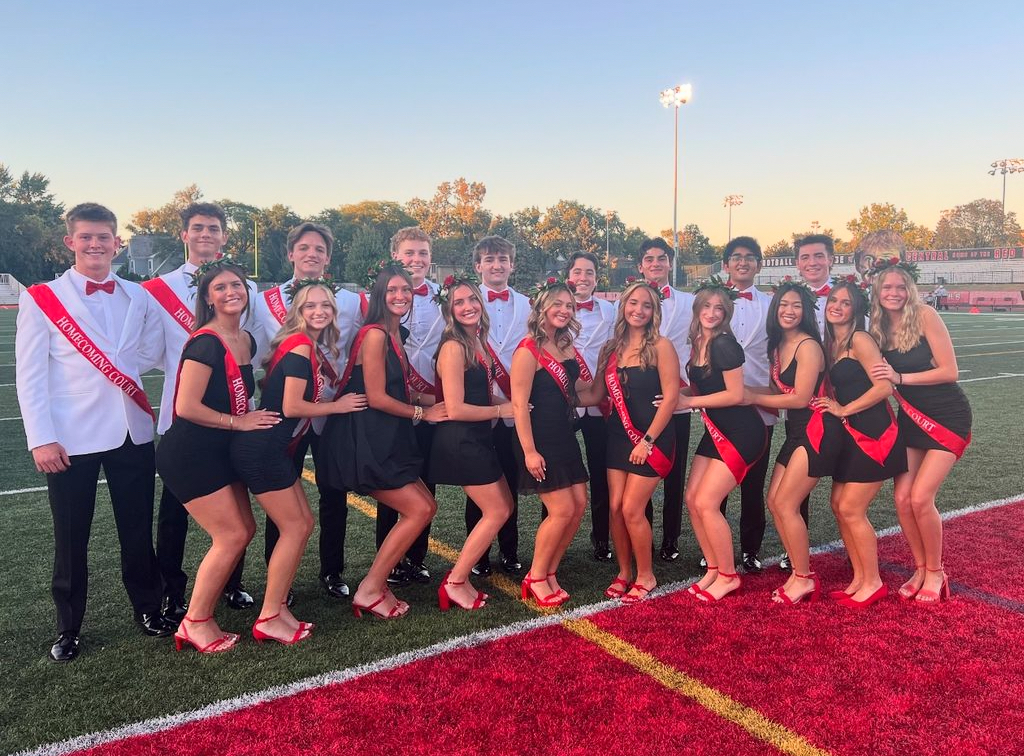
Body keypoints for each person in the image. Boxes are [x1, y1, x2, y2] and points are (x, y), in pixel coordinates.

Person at [17, 202, 171, 662]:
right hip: (70, 438)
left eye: (103, 237)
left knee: (136, 529)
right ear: (70, 242)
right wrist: (40, 437)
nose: (95, 244)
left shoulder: (137, 295)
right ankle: (69, 626)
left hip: (131, 430)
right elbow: (30, 375)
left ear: (117, 242)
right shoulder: (42, 296)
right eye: (86, 237)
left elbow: (145, 354)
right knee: (71, 535)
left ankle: (148, 607)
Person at [232, 281, 368, 642]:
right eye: (310, 306)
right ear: (298, 312)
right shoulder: (301, 345)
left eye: (325, 305)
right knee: (294, 528)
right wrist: (337, 406)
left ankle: (277, 607)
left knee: (303, 523)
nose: (319, 311)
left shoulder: (304, 344)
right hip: (264, 449)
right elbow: (292, 406)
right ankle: (269, 616)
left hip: (274, 447)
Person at [156, 258, 281, 653]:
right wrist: (238, 422)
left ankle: (200, 615)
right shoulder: (206, 342)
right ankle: (194, 622)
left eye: (237, 286)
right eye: (221, 288)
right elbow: (187, 406)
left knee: (243, 531)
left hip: (220, 452)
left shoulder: (246, 339)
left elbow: (251, 382)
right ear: (208, 299)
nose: (231, 293)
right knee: (230, 535)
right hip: (191, 452)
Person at [147, 203, 260, 619]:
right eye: (198, 228)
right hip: (189, 426)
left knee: (238, 522)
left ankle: (232, 587)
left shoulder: (244, 330)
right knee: (177, 517)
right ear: (184, 235)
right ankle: (174, 596)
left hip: (228, 431)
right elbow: (147, 353)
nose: (206, 235)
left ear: (224, 236)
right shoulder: (157, 289)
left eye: (214, 228)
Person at [316, 263, 446, 618]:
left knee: (425, 508)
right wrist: (424, 414)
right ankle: (370, 588)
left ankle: (376, 584)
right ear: (379, 295)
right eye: (392, 290)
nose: (400, 296)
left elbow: (404, 389)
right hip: (368, 437)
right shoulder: (374, 334)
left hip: (388, 434)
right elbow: (376, 396)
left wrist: (449, 402)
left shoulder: (394, 334)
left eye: (406, 290)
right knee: (418, 509)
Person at [252, 222, 362, 601]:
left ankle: (332, 571)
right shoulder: (261, 300)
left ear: (327, 257)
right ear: (291, 253)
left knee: (335, 496)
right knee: (281, 499)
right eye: (304, 248)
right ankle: (278, 580)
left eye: (319, 249)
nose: (311, 254)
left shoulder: (347, 301)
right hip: (287, 417)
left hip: (331, 414)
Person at [869, 262, 971, 604]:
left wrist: (901, 378)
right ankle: (920, 567)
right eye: (887, 288)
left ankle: (937, 572)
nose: (894, 293)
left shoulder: (925, 315)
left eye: (900, 287)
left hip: (947, 415)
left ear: (909, 289)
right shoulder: (877, 326)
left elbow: (950, 371)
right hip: (911, 419)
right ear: (877, 292)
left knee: (920, 498)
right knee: (901, 499)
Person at [809, 278, 907, 609]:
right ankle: (860, 579)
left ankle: (874, 581)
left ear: (856, 309)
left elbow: (884, 388)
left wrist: (843, 409)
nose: (836, 306)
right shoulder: (830, 343)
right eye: (833, 300)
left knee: (852, 508)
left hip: (875, 434)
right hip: (851, 435)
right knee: (839, 506)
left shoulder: (860, 339)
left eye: (845, 302)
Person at [429, 276, 515, 610]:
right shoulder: (453, 346)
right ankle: (455, 581)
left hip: (480, 437)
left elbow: (479, 392)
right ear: (449, 310)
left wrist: (516, 401)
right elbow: (455, 408)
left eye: (472, 299)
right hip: (461, 440)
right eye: (459, 302)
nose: (468, 307)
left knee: (503, 506)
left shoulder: (476, 340)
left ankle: (459, 578)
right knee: (497, 510)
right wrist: (501, 409)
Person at [678, 281, 767, 603]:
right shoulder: (699, 340)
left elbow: (735, 394)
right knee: (692, 499)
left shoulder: (724, 344)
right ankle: (714, 569)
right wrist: (677, 395)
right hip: (716, 429)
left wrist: (687, 403)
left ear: (726, 313)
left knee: (706, 502)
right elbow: (703, 388)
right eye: (706, 307)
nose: (712, 313)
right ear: (697, 309)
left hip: (742, 433)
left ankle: (728, 575)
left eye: (719, 308)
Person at [512, 281, 592, 606]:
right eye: (557, 304)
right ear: (542, 307)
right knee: (560, 511)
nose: (564, 310)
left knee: (577, 508)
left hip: (564, 436)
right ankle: (535, 575)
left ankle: (550, 571)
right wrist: (530, 451)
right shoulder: (527, 350)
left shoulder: (566, 345)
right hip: (540, 440)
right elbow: (519, 405)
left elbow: (581, 390)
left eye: (569, 305)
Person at [598, 282, 680, 602]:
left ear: (654, 311)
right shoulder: (611, 348)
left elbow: (671, 398)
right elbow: (595, 394)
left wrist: (646, 440)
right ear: (623, 305)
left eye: (646, 305)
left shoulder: (661, 345)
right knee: (616, 508)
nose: (639, 310)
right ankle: (624, 572)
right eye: (633, 303)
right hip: (618, 436)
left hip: (652, 438)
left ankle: (646, 574)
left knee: (633, 508)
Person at [746, 282, 826, 604]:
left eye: (795, 306)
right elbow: (772, 394)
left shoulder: (808, 346)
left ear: (805, 311)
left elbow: (801, 398)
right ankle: (798, 571)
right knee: (774, 501)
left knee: (784, 504)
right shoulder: (777, 345)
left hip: (816, 430)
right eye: (782, 305)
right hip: (794, 431)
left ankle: (804, 577)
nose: (788, 311)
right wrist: (736, 393)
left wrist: (748, 395)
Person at [376, 227, 443, 586]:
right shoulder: (384, 296)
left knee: (426, 482)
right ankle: (387, 561)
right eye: (409, 253)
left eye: (422, 253)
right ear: (395, 256)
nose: (416, 260)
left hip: (430, 399)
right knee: (393, 485)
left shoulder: (442, 297)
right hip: (392, 402)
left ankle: (416, 559)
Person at [469, 236, 530, 576]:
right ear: (478, 265)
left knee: (510, 480)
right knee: (477, 484)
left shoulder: (527, 304)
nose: (496, 265)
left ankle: (509, 551)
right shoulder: (464, 301)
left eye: (503, 259)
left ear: (512, 264)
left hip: (515, 405)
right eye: (490, 259)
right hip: (479, 405)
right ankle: (477, 556)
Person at [720, 237, 777, 573]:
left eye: (750, 258)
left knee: (754, 483)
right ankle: (717, 547)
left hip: (759, 402)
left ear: (758, 264)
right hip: (722, 406)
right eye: (736, 257)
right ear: (726, 264)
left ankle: (750, 550)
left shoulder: (772, 305)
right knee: (720, 484)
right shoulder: (710, 301)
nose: (743, 262)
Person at [636, 238, 694, 562]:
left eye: (661, 258)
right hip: (640, 400)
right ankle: (640, 532)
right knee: (639, 470)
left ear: (670, 263)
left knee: (675, 472)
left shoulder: (689, 301)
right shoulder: (630, 302)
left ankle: (670, 539)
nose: (655, 263)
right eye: (649, 259)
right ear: (640, 266)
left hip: (677, 399)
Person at [565, 252, 615, 562]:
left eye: (590, 272)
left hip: (598, 403)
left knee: (601, 473)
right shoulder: (555, 307)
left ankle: (601, 540)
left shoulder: (611, 311)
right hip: (563, 403)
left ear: (597, 278)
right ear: (568, 274)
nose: (583, 277)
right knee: (560, 475)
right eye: (577, 271)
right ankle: (558, 538)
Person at [795, 234, 836, 337]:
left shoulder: (849, 293)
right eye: (805, 258)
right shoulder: (790, 297)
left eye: (819, 256)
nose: (812, 263)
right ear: (797, 264)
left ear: (830, 260)